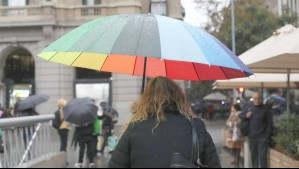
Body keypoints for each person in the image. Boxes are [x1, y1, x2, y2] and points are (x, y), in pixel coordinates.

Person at [108, 76, 221, 168]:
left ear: (146, 98)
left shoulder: (135, 127)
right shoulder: (195, 126)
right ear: (178, 96)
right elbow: (213, 164)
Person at [240, 92, 273, 168]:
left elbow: (269, 123)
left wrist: (266, 135)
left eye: (258, 98)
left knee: (263, 157)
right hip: (252, 136)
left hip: (263, 137)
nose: (257, 100)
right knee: (254, 157)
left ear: (261, 99)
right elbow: (241, 115)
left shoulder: (266, 109)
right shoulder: (248, 107)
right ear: (253, 99)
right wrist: (246, 115)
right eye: (255, 98)